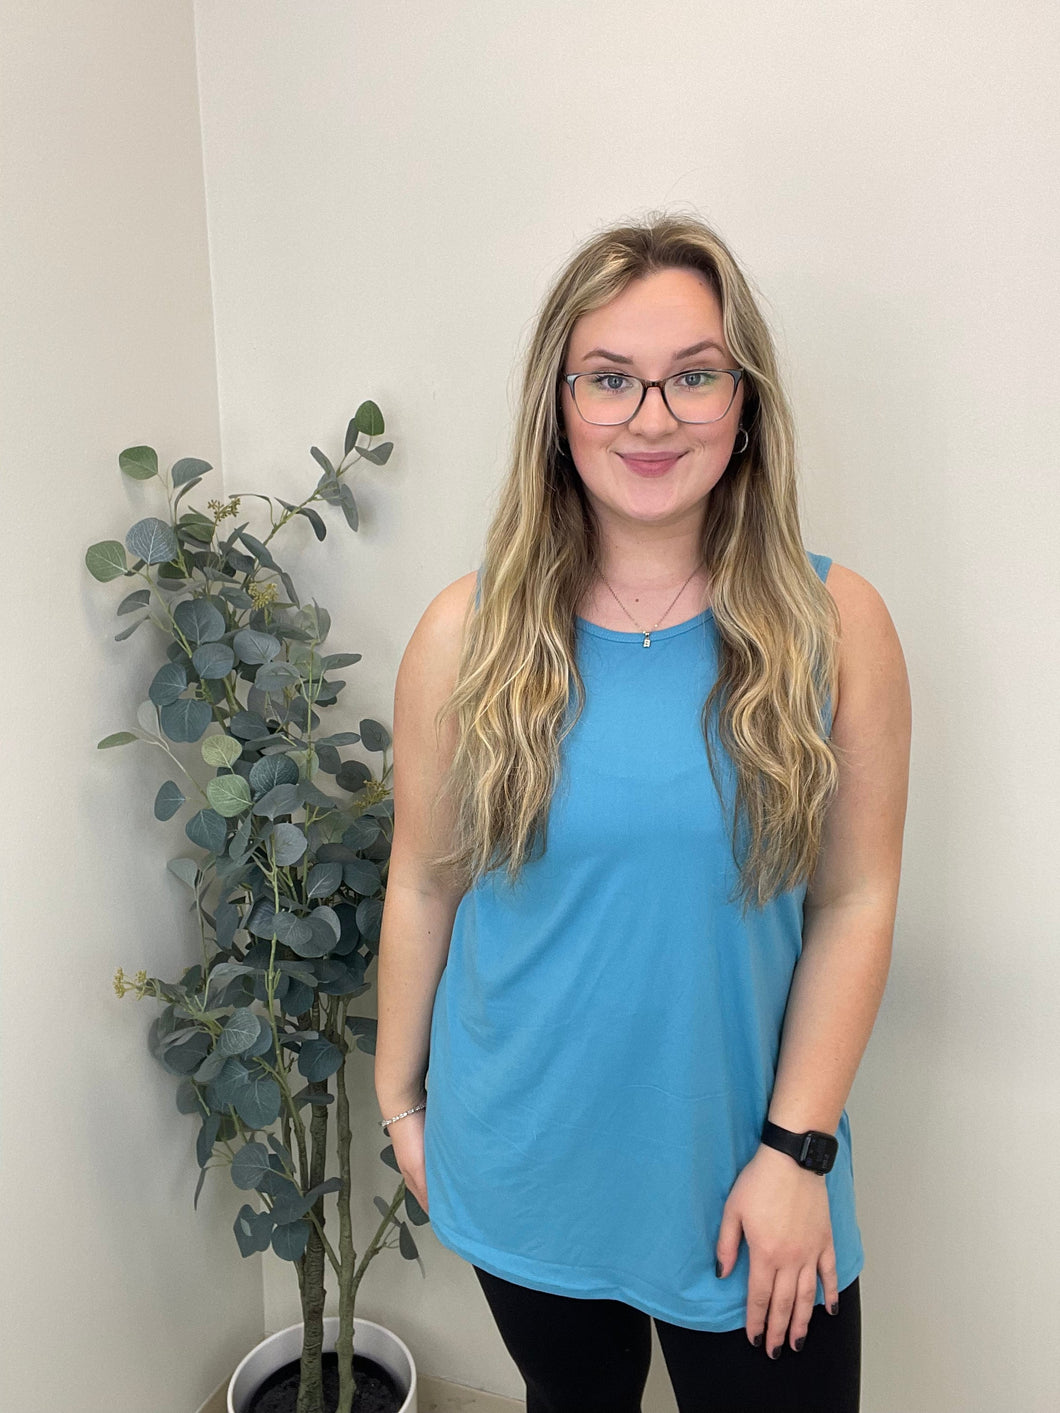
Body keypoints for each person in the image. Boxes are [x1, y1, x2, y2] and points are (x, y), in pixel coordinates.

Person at [375, 212, 911, 1413]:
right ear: (558, 409)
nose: (651, 416)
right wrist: (400, 1103)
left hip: (750, 1178)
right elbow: (424, 880)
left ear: (745, 400)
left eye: (693, 377)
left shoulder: (836, 629)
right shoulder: (467, 634)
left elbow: (855, 898)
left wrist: (797, 1152)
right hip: (525, 1170)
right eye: (610, 379)